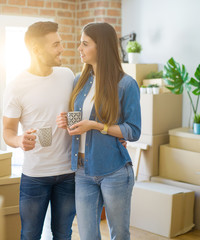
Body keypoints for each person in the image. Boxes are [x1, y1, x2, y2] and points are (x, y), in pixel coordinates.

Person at [56, 22, 141, 240]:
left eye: (85, 44)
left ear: (101, 47)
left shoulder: (126, 84)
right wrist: (67, 121)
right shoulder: (79, 80)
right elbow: (78, 122)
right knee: (87, 236)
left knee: (119, 234)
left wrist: (96, 125)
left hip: (114, 171)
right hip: (82, 171)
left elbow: (133, 131)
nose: (79, 49)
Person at [3, 21, 76, 240]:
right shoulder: (17, 85)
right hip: (35, 176)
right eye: (55, 45)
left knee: (63, 234)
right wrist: (19, 141)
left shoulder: (67, 75)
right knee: (30, 235)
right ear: (36, 50)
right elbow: (7, 131)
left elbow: (78, 114)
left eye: (60, 43)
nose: (61, 49)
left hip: (68, 174)